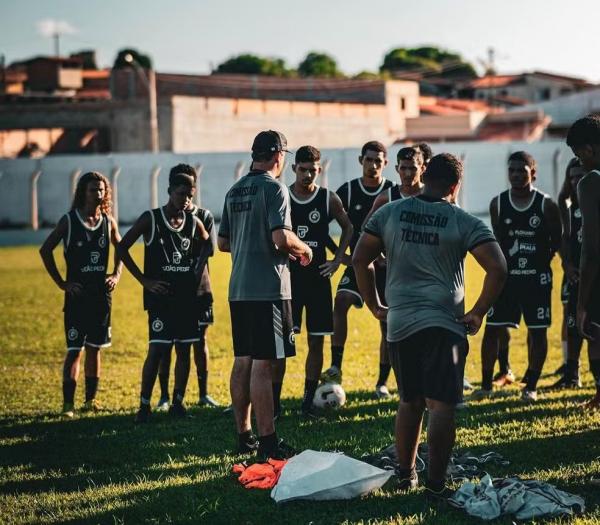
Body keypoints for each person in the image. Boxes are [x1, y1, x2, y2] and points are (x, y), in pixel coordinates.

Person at [353, 153, 506, 499]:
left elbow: (361, 259)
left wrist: (374, 304)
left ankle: (406, 475)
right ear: (455, 186)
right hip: (445, 325)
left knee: (409, 401)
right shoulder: (462, 220)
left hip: (401, 324)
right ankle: (436, 483)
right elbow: (498, 268)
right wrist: (479, 311)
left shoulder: (389, 213)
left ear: (424, 176)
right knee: (441, 406)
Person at [218, 130, 312, 459]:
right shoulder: (275, 189)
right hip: (269, 288)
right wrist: (305, 250)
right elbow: (281, 239)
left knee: (243, 359)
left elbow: (224, 243)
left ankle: (244, 436)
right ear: (278, 155)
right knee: (264, 363)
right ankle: (269, 443)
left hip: (239, 288)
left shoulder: (234, 191)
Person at [117, 172, 210, 423]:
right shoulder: (152, 218)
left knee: (184, 349)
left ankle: (178, 403)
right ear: (169, 191)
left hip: (186, 299)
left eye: (190, 196)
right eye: (181, 194)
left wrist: (197, 267)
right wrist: (144, 280)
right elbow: (122, 246)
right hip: (160, 299)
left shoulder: (192, 222)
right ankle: (144, 405)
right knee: (157, 349)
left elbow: (207, 244)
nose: (185, 200)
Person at [479, 151, 561, 401]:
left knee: (537, 332)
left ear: (532, 173)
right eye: (511, 170)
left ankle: (531, 386)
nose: (515, 175)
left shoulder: (546, 205)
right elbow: (498, 243)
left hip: (536, 281)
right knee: (492, 329)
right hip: (506, 280)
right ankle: (486, 385)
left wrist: (542, 263)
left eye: (521, 171)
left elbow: (556, 240)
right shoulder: (498, 204)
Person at [39, 171, 122, 418]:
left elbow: (122, 248)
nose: (98, 193)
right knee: (75, 349)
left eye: (101, 189)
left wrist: (116, 274)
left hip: (100, 297)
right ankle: (68, 405)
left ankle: (90, 401)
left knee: (95, 348)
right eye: (92, 189)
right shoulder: (70, 220)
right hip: (77, 297)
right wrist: (62, 283)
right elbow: (45, 250)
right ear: (82, 193)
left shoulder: (109, 221)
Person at [282, 145, 353, 418]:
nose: (308, 174)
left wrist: (336, 260)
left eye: (313, 170)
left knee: (316, 341)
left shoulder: (328, 199)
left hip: (318, 279)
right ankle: (274, 403)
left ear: (319, 170)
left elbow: (348, 227)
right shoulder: (284, 197)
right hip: (289, 279)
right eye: (303, 169)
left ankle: (308, 400)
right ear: (293, 169)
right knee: (283, 344)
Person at [321, 141, 394, 387]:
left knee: (387, 323)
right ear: (360, 160)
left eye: (378, 161)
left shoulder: (393, 193)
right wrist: (340, 256)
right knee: (340, 301)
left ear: (385, 163)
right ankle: (335, 366)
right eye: (369, 159)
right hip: (357, 265)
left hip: (387, 269)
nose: (373, 165)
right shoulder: (348, 191)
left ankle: (382, 383)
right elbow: (321, 226)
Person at [156, 164, 219, 410]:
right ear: (172, 189)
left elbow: (209, 249)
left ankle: (203, 394)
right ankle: (163, 396)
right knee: (166, 344)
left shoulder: (203, 216)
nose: (188, 194)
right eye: (183, 188)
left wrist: (196, 268)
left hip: (200, 289)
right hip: (173, 290)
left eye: (191, 188)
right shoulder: (163, 217)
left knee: (200, 341)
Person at [363, 146, 426, 398]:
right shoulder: (386, 198)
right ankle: (384, 382)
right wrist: (379, 256)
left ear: (423, 168)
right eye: (404, 168)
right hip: (394, 277)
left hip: (426, 277)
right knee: (391, 330)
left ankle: (425, 382)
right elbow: (368, 233)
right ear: (397, 168)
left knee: (426, 330)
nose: (408, 173)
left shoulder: (432, 196)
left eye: (413, 167)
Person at [566, 115, 600, 409]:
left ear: (589, 149)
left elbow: (591, 247)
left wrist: (582, 303)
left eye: (579, 155)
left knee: (594, 331)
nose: (580, 162)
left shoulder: (591, 183)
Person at [552, 159, 586, 388]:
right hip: (574, 274)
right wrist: (567, 265)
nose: (575, 182)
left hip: (592, 274)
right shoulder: (570, 208)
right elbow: (564, 240)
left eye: (579, 176)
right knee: (571, 320)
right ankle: (571, 373)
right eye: (571, 177)